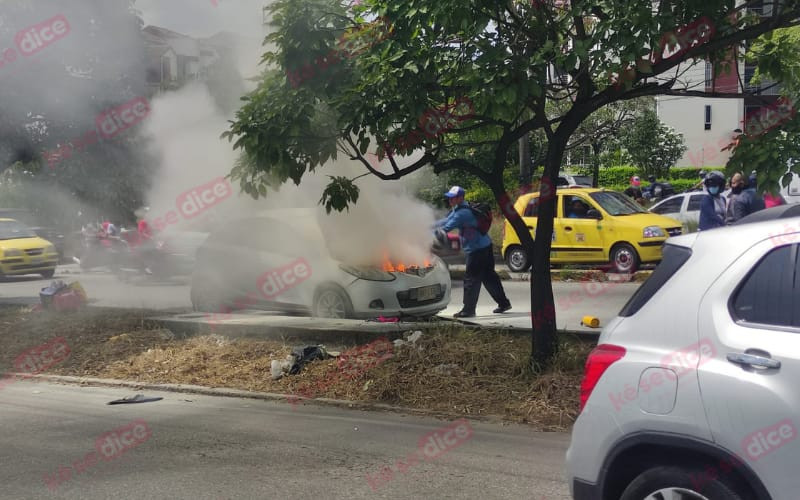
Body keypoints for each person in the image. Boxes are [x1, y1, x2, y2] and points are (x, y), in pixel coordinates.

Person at [435, 186, 511, 318]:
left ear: (460, 198)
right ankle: (504, 303)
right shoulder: (462, 208)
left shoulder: (462, 213)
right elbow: (445, 221)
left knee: (471, 279)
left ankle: (468, 310)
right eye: (450, 197)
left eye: (453, 198)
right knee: (489, 277)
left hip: (477, 250)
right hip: (485, 246)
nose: (450, 200)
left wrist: (429, 232)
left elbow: (446, 228)